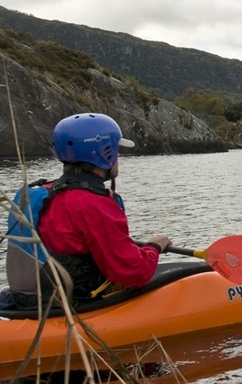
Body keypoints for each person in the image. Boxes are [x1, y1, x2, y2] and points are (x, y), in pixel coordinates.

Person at [1, 113, 172, 310]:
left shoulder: (35, 193)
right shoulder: (94, 204)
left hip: (26, 302)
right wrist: (154, 247)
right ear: (104, 153)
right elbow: (133, 273)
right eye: (116, 150)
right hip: (67, 304)